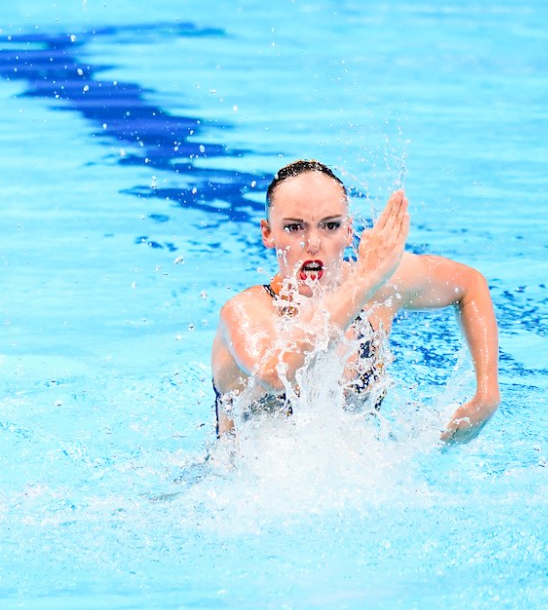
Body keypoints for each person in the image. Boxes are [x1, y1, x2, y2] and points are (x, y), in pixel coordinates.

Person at [211, 160, 500, 442]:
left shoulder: (378, 285)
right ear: (268, 233)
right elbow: (276, 374)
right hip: (238, 485)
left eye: (330, 226)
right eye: (294, 227)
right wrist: (364, 281)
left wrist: (486, 395)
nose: (313, 243)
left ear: (349, 231)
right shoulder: (245, 312)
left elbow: (469, 283)